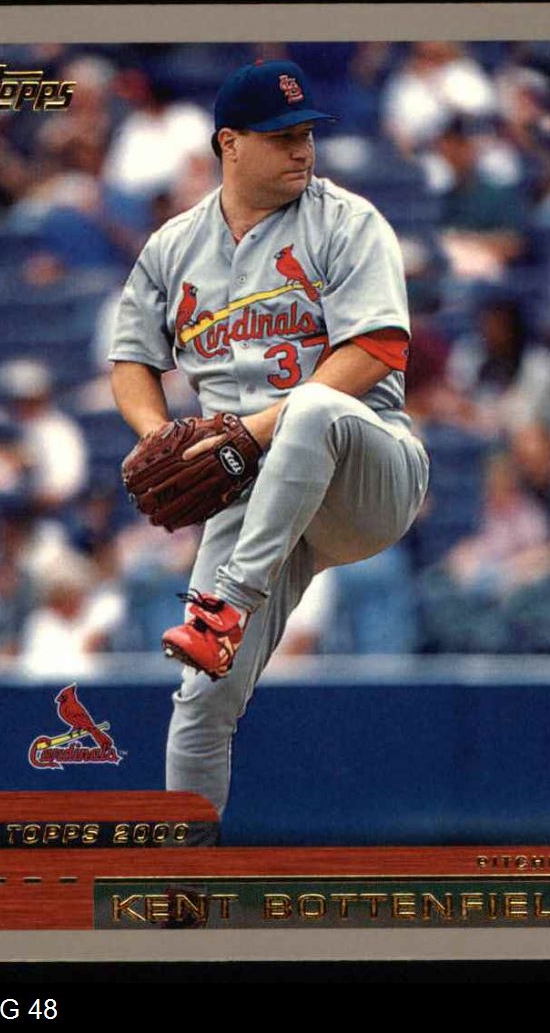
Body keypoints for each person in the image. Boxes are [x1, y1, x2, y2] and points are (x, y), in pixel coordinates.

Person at [108, 59, 430, 818]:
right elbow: (130, 361)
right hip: (247, 489)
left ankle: (226, 608)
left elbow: (378, 349)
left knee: (311, 408)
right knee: (200, 704)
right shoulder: (173, 246)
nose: (302, 148)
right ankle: (185, 876)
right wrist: (160, 436)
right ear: (230, 143)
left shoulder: (346, 221)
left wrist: (248, 432)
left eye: (307, 133)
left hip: (364, 468)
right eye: (282, 136)